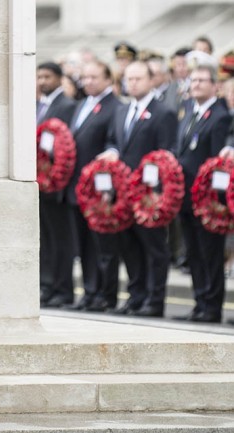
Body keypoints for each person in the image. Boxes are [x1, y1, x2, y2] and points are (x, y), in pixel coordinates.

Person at [97, 60, 178, 317]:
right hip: (124, 190)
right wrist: (111, 153)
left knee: (154, 248)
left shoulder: (162, 112)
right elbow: (114, 141)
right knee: (129, 246)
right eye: (128, 79)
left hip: (148, 194)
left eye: (138, 79)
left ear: (151, 80)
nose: (132, 84)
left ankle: (154, 300)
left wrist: (157, 190)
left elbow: (166, 153)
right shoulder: (122, 111)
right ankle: (136, 296)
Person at [174, 65, 232, 323]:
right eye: (192, 80)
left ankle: (211, 306)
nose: (195, 84)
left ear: (214, 86)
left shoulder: (220, 116)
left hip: (207, 200)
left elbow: (218, 163)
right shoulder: (189, 111)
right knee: (194, 253)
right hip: (186, 196)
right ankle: (199, 303)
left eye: (201, 80)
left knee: (210, 254)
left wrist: (216, 201)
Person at [64, 60, 123, 312]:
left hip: (102, 189)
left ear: (108, 78)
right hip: (79, 187)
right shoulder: (82, 105)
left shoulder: (115, 107)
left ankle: (105, 295)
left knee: (104, 247)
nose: (88, 82)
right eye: (84, 78)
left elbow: (114, 143)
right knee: (85, 246)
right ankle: (90, 292)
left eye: (94, 77)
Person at [36, 61, 77, 308]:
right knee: (48, 241)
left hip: (58, 185)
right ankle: (48, 286)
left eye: (47, 76)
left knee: (62, 242)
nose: (42, 81)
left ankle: (63, 289)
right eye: (39, 77)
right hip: (43, 184)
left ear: (60, 79)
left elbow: (66, 147)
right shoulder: (42, 105)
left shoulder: (68, 106)